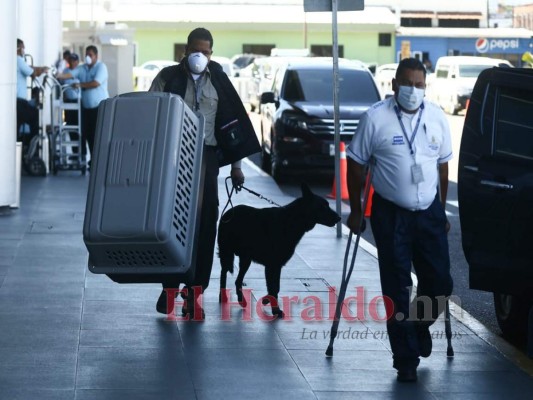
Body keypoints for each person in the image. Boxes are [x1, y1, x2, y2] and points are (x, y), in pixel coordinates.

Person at [346, 58, 453, 383]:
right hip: (391, 213)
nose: (413, 90)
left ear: (425, 86)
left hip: (429, 212)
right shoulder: (375, 118)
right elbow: (355, 164)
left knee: (440, 283)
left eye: (419, 85)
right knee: (397, 286)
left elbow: (443, 164)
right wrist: (355, 209)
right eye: (407, 84)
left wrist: (442, 208)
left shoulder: (436, 116)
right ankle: (405, 358)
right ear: (394, 85)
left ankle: (417, 326)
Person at [149, 27, 260, 318]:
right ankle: (169, 287)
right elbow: (150, 114)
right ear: (185, 50)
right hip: (172, 158)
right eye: (196, 50)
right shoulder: (167, 77)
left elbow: (233, 123)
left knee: (206, 224)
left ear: (212, 53)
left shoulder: (220, 80)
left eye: (207, 52)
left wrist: (236, 168)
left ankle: (195, 292)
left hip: (206, 158)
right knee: (171, 223)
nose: (201, 56)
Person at [56, 45, 109, 163]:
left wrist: (80, 85)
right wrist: (58, 74)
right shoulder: (82, 68)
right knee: (86, 132)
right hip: (85, 108)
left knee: (97, 134)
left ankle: (98, 160)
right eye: (86, 55)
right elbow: (70, 74)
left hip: (99, 108)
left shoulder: (101, 67)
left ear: (96, 56)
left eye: (90, 55)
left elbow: (96, 83)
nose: (87, 57)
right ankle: (87, 158)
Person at [16, 38, 48, 147]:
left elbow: (29, 67)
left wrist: (41, 68)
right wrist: (42, 71)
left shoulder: (14, 60)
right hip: (19, 102)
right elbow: (32, 73)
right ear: (18, 48)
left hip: (17, 102)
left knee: (17, 127)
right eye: (23, 47)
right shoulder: (18, 59)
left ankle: (22, 148)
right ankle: (32, 146)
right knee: (35, 116)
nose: (24, 50)